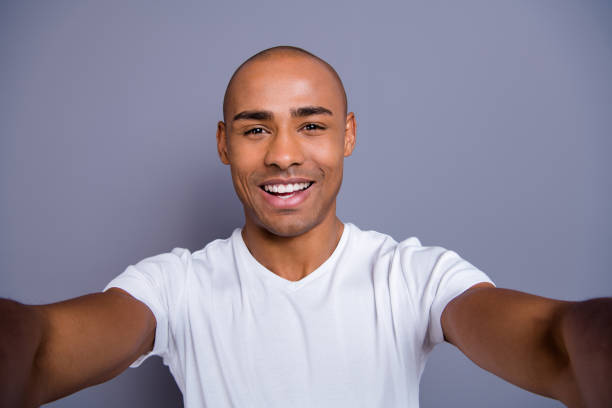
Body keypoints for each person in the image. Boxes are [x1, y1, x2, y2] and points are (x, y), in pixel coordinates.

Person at [1, 46, 610, 408]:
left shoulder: (413, 276)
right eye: (255, 127)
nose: (284, 155)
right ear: (224, 143)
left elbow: (555, 345)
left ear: (348, 134)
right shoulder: (175, 286)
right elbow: (41, 351)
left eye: (312, 126)